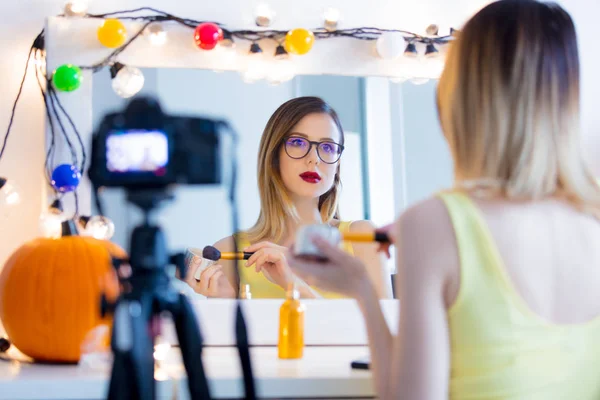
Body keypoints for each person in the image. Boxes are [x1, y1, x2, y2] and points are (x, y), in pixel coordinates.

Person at [288, 1, 600, 399]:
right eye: (298, 144)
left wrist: (361, 290)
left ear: (461, 95)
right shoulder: (592, 215)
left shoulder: (433, 223)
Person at [186, 96, 392, 299]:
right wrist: (224, 306)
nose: (314, 159)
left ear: (337, 165)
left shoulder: (364, 239)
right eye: (298, 142)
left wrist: (293, 284)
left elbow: (386, 332)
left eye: (328, 147)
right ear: (273, 154)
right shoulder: (229, 252)